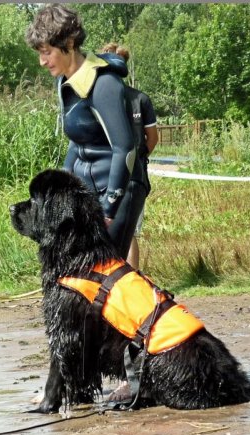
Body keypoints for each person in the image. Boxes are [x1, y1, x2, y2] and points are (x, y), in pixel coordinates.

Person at [25, 4, 152, 270]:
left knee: (105, 272)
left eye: (47, 52)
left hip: (121, 187)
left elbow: (125, 149)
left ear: (69, 43)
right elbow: (77, 143)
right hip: (88, 190)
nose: (42, 61)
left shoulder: (104, 84)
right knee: (80, 271)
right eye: (40, 53)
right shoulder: (63, 82)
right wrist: (60, 192)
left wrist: (108, 209)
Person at [100, 42, 159, 270]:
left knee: (111, 227)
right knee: (130, 230)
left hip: (108, 174)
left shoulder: (102, 97)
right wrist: (138, 161)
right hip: (132, 175)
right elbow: (151, 140)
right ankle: (129, 278)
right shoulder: (140, 98)